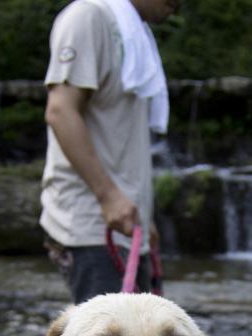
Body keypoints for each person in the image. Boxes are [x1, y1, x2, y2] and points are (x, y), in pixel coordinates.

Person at [41, 0, 179, 303]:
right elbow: (61, 111)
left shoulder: (134, 34)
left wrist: (144, 214)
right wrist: (108, 196)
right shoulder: (88, 16)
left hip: (126, 226)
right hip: (93, 224)